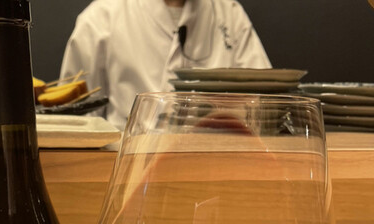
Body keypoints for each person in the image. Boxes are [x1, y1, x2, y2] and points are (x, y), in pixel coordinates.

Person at [60, 0, 271, 129]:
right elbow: (77, 124)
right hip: (125, 162)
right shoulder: (100, 18)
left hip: (217, 160)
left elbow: (266, 104)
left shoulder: (230, 14)